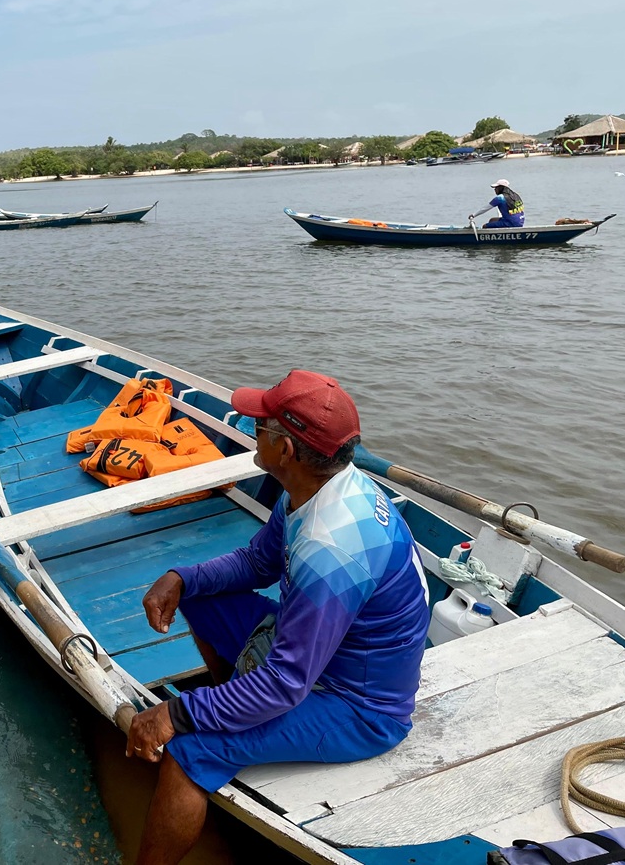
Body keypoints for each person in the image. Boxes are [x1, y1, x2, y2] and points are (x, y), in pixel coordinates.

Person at [128, 370, 430, 865]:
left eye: (261, 424)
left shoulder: (331, 548)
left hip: (358, 706)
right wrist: (182, 577)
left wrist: (179, 714)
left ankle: (221, 744)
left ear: (285, 451)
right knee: (201, 596)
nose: (252, 427)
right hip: (316, 657)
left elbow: (288, 681)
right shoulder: (314, 491)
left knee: (189, 752)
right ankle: (239, 720)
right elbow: (256, 564)